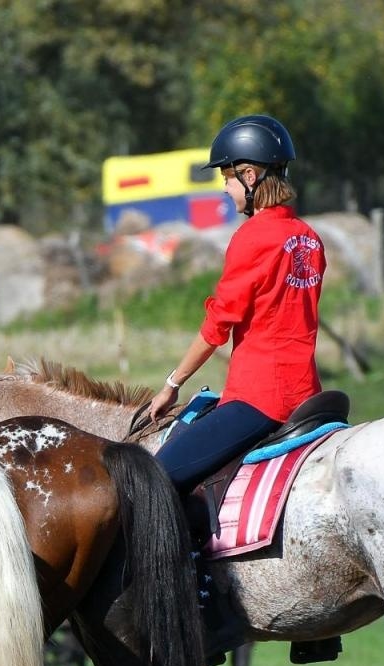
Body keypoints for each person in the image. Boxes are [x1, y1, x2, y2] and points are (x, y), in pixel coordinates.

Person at [146, 114, 326, 495]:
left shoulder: (252, 238)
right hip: (308, 395)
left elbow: (217, 325)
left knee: (154, 481)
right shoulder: (309, 238)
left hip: (260, 400)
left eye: (226, 179)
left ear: (249, 175)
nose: (225, 190)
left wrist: (172, 384)